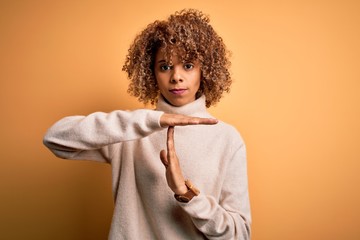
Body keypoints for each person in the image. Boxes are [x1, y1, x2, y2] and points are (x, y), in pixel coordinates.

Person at [43, 9, 251, 240]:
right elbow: (55, 138)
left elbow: (239, 234)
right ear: (151, 73)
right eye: (164, 66)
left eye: (188, 65)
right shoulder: (130, 131)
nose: (176, 77)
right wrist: (153, 120)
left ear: (206, 71)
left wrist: (186, 193)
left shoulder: (226, 138)